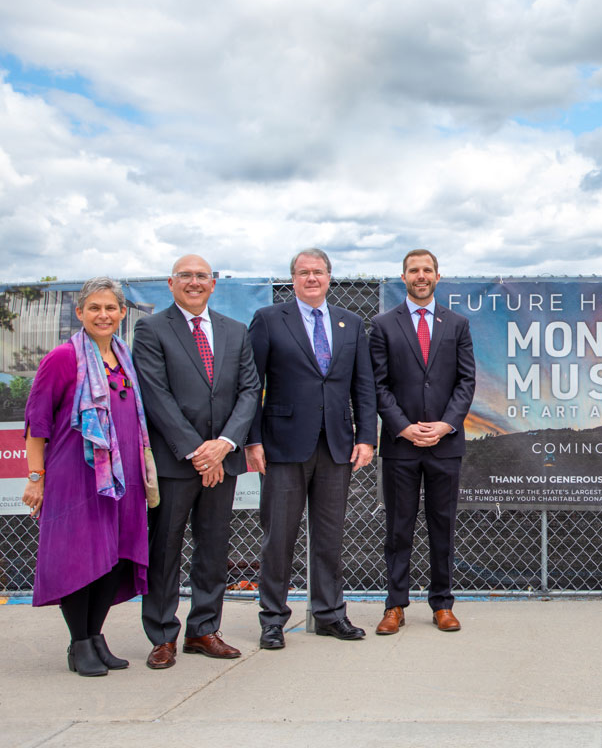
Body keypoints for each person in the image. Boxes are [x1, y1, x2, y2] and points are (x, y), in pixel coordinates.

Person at [21, 277, 154, 676]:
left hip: (121, 477)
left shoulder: (123, 357)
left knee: (110, 558)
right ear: (79, 313)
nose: (103, 314)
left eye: (110, 308)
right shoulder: (63, 358)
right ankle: (79, 644)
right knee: (79, 557)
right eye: (94, 308)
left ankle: (96, 636)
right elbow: (36, 424)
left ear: (122, 313)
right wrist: (35, 476)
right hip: (75, 477)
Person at [133, 254, 260, 669]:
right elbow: (156, 395)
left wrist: (222, 445)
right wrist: (197, 451)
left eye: (201, 276)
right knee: (164, 549)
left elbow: (248, 391)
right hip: (175, 463)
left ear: (213, 283)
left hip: (222, 460)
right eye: (184, 276)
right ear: (170, 284)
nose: (193, 282)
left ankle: (203, 630)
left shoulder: (235, 331)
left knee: (213, 548)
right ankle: (162, 636)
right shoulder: (150, 328)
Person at [246, 248, 377, 649]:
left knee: (329, 537)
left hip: (336, 445)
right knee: (279, 537)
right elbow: (251, 384)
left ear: (329, 277)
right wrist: (252, 440)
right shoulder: (270, 320)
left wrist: (367, 437)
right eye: (303, 273)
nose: (311, 279)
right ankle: (273, 619)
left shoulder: (351, 323)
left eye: (317, 272)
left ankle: (329, 614)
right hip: (283, 446)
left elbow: (364, 386)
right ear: (293, 279)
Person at [369, 248, 475, 634]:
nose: (421, 275)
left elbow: (466, 382)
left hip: (446, 445)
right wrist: (403, 426)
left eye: (427, 269)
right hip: (401, 445)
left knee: (442, 525)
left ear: (437, 276)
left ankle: (442, 604)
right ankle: (395, 605)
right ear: (404, 277)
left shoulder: (458, 324)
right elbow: (377, 385)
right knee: (399, 527)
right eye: (414, 270)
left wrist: (446, 425)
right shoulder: (382, 325)